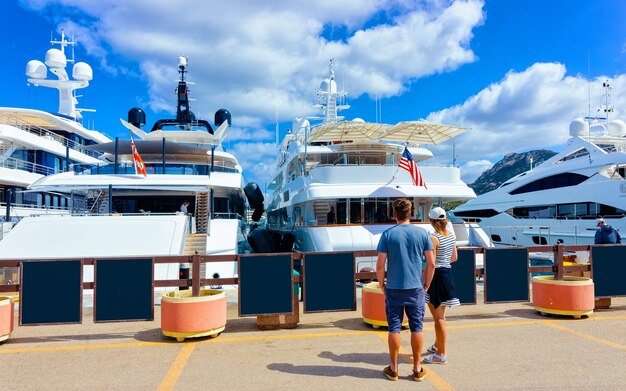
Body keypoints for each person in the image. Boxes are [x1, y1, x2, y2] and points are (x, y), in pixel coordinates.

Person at [376, 198, 435, 382]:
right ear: (411, 213)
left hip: (393, 287)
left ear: (394, 214)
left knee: (394, 327)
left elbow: (379, 266)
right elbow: (431, 263)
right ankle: (417, 368)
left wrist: (381, 285)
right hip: (415, 287)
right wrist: (426, 285)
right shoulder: (423, 234)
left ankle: (393, 369)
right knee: (417, 326)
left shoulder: (387, 235)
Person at [422, 207, 460, 365]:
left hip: (437, 277)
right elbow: (454, 257)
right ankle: (438, 345)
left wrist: (425, 282)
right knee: (441, 316)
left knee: (438, 318)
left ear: (431, 221)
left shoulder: (433, 238)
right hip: (447, 275)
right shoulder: (450, 235)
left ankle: (441, 354)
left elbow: (431, 264)